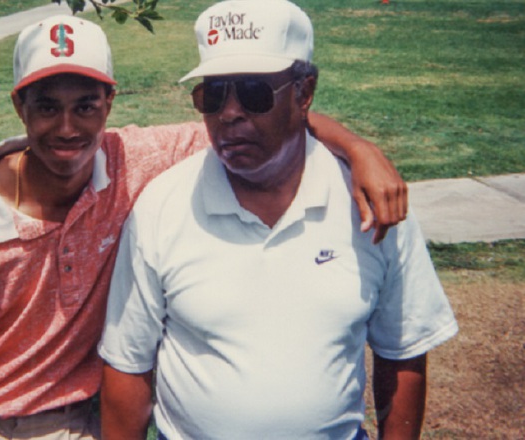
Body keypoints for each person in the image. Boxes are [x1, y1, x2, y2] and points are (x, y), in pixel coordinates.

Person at [0, 10, 408, 440]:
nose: (67, 128)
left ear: (109, 102)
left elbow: (258, 123)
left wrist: (359, 149)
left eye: (85, 105)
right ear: (20, 108)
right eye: (46, 107)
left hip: (87, 413)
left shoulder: (135, 159)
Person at [98, 1, 458, 439]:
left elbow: (402, 352)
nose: (229, 113)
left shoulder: (368, 206)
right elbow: (128, 366)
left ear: (304, 92)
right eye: (212, 94)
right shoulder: (163, 206)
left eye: (253, 91)